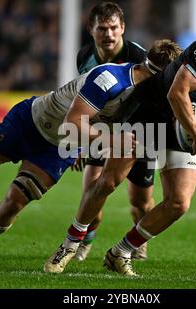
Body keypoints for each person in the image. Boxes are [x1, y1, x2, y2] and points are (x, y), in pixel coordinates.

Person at [0, 40, 181, 268]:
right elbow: (73, 123)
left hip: (58, 147)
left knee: (14, 202)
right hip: (32, 121)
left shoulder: (147, 94)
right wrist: (111, 140)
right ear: (161, 75)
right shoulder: (110, 79)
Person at [45, 32, 196, 276]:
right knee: (108, 182)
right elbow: (176, 93)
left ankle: (121, 252)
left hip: (181, 125)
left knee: (179, 203)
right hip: (148, 112)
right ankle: (69, 246)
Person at [74, 2, 153, 262]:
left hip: (138, 132)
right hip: (102, 131)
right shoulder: (84, 57)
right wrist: (80, 143)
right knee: (92, 194)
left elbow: (146, 103)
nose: (108, 34)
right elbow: (86, 104)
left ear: (123, 29)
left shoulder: (139, 57)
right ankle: (85, 241)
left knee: (140, 203)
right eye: (102, 28)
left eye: (113, 28)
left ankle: (137, 242)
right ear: (91, 29)